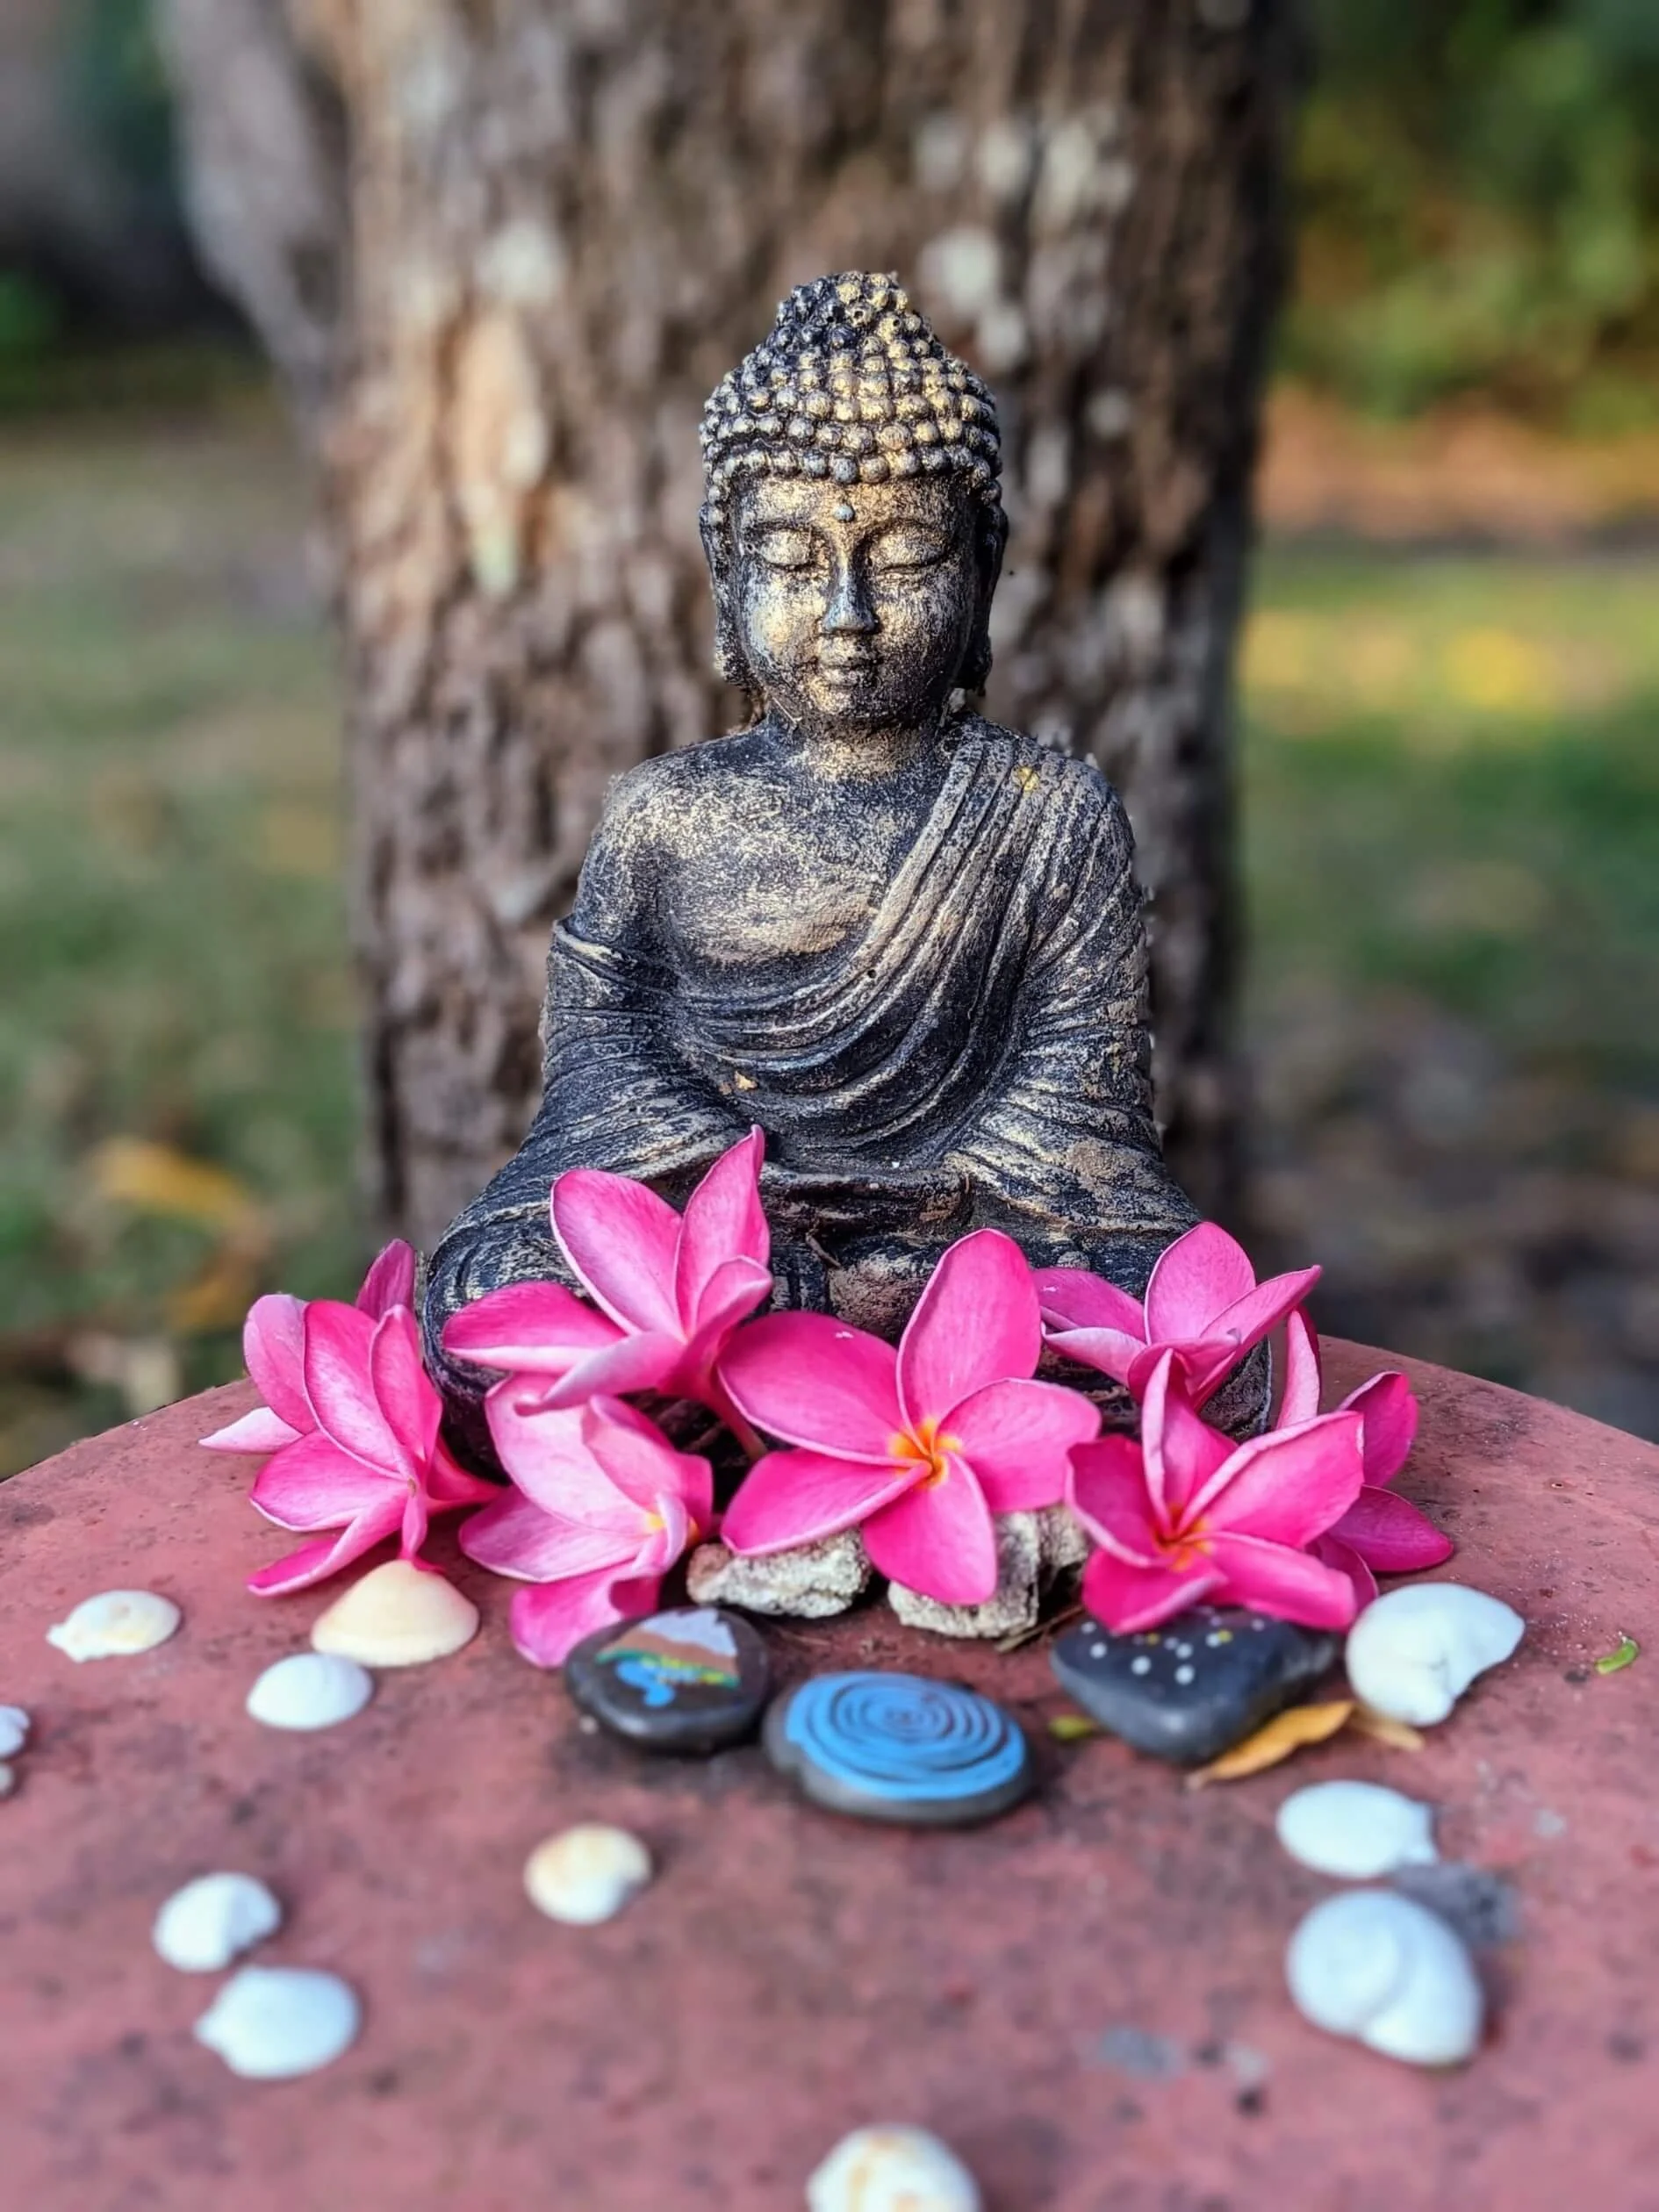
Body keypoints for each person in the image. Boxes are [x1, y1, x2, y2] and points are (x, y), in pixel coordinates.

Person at [424, 271, 1203, 1454]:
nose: (847, 615)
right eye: (788, 561)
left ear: (981, 572)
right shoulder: (665, 815)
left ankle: (774, 1385)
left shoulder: (1049, 811)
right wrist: (739, 1214)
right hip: (705, 1225)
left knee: (1159, 1312)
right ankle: (857, 1377)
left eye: (902, 559)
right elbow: (601, 1057)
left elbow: (1076, 1102)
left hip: (971, 1228)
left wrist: (933, 1219)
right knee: (482, 1296)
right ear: (724, 581)